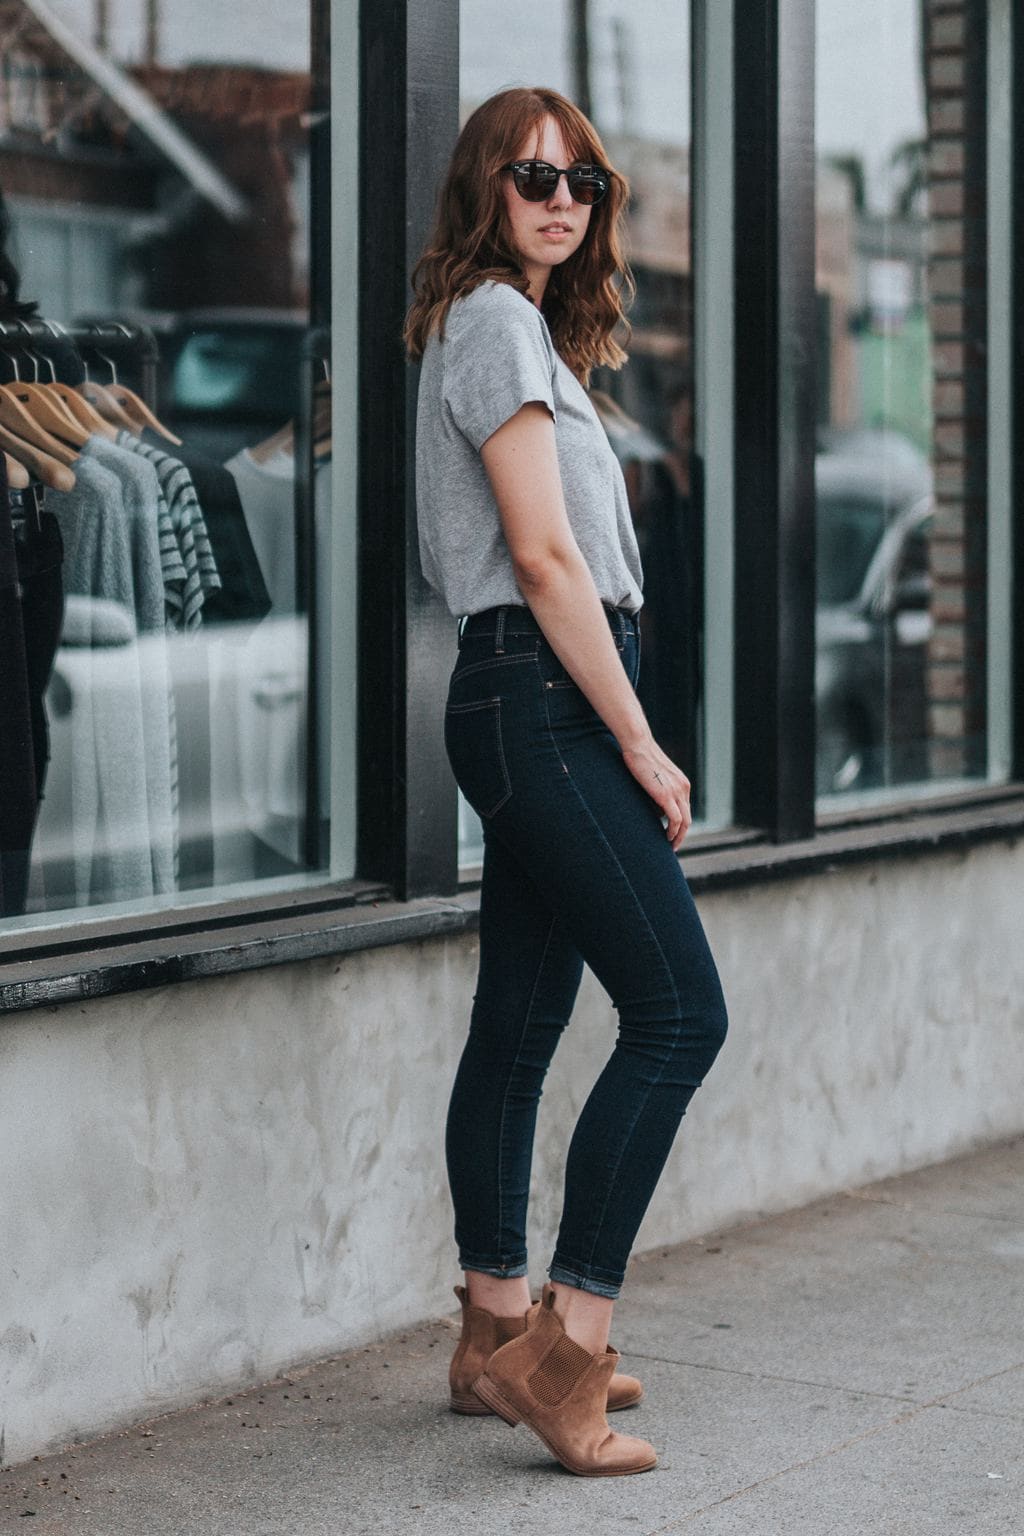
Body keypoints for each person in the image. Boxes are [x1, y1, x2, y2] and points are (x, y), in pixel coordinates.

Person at [405, 86, 728, 1478]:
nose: (561, 196)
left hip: (525, 697)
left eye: (583, 177)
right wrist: (643, 741)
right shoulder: (490, 321)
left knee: (524, 1020)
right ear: (488, 186)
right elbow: (543, 566)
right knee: (677, 1013)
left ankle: (491, 1336)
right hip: (544, 696)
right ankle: (565, 1353)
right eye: (533, 173)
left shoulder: (515, 329)